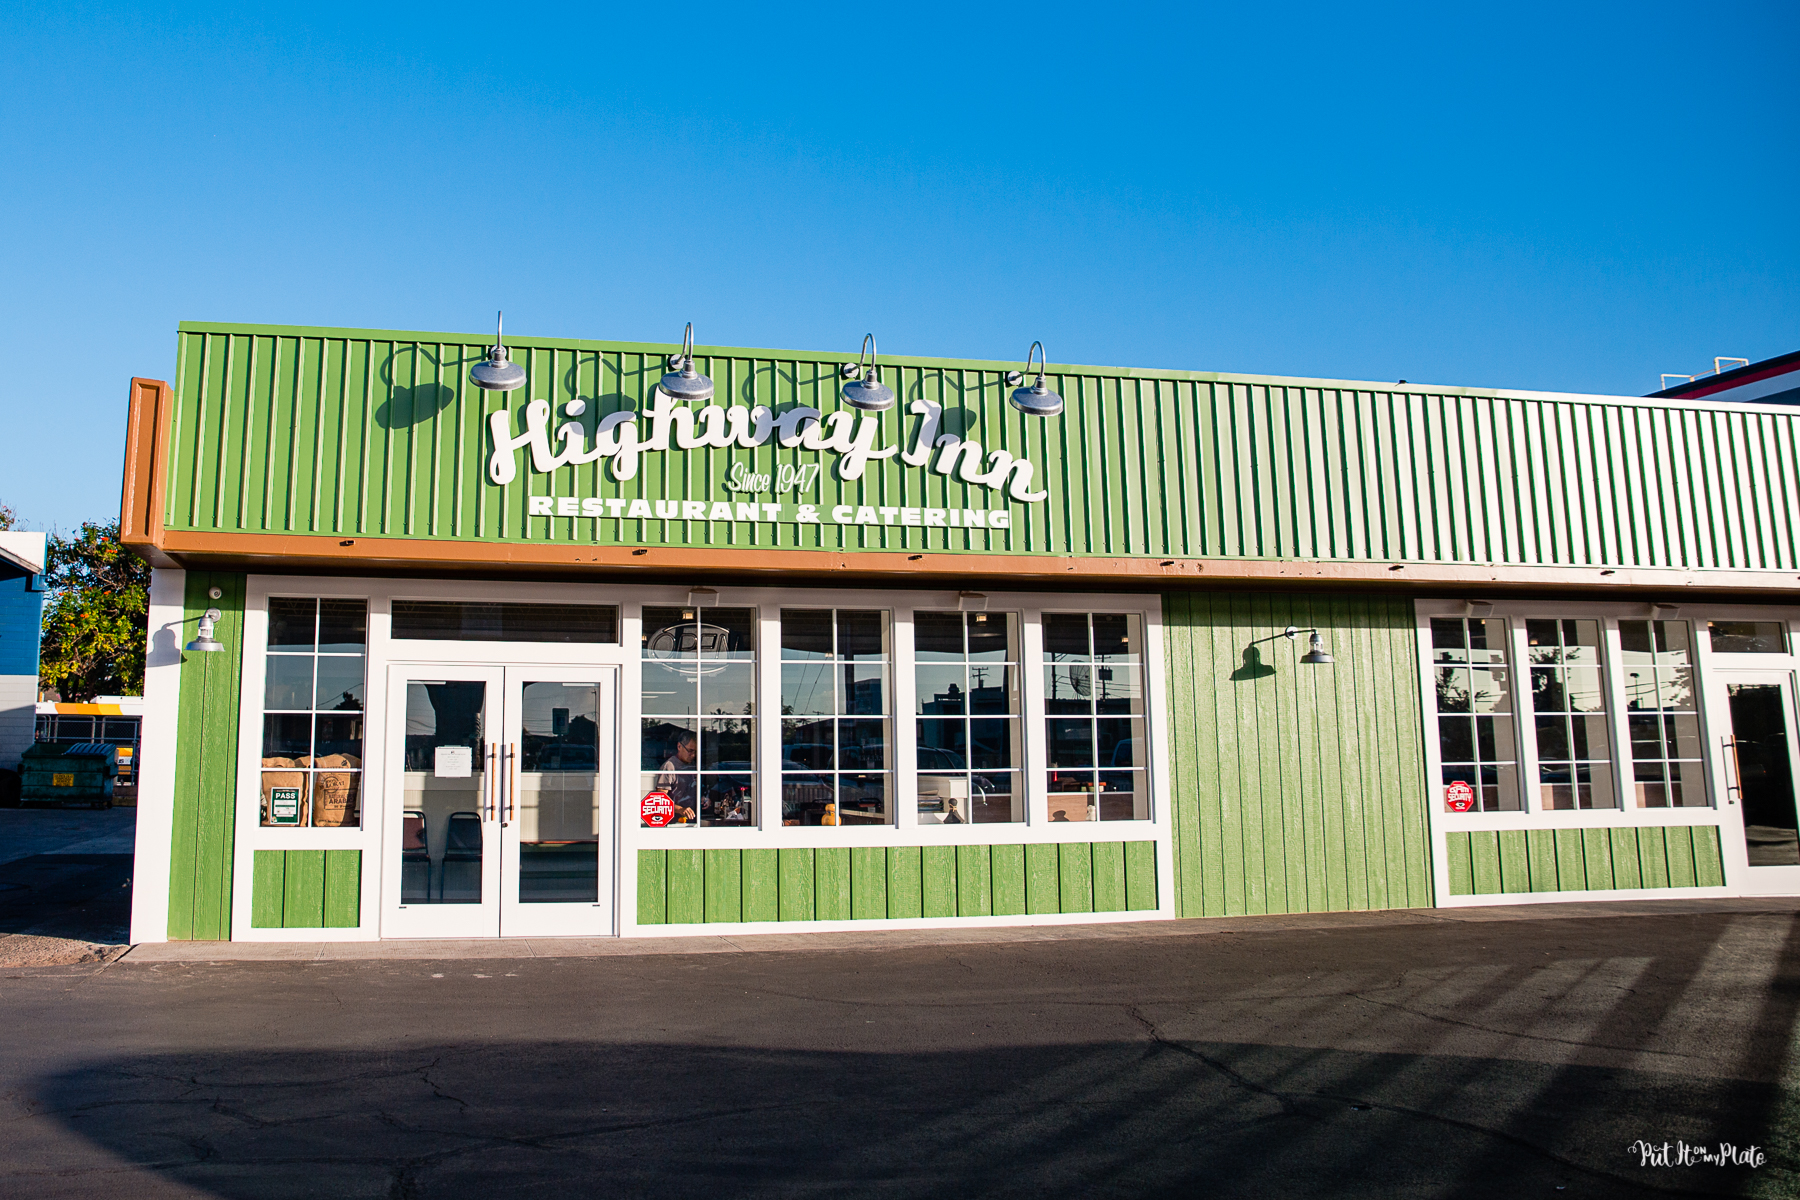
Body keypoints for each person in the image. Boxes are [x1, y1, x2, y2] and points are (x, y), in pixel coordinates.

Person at [654, 731, 699, 823]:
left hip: (693, 819)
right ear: (679, 746)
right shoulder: (669, 767)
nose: (693, 755)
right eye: (690, 751)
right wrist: (680, 809)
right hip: (675, 821)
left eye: (695, 752)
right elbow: (660, 800)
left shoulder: (694, 765)